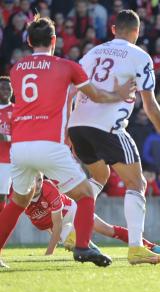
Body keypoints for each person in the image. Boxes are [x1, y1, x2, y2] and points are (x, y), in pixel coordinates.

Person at [0, 15, 134, 267]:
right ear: (54, 40)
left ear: (29, 41)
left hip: (19, 146)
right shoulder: (67, 66)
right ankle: (82, 246)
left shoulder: (16, 68)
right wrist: (120, 93)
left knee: (18, 201)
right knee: (85, 194)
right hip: (49, 144)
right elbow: (95, 95)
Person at [68, 10, 160, 265]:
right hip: (107, 128)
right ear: (136, 32)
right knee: (137, 183)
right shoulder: (140, 56)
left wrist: (67, 128)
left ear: (113, 29)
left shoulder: (93, 52)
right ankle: (136, 248)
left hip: (78, 125)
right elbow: (150, 104)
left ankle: (76, 233)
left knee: (99, 177)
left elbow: (72, 89)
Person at [24, 175, 160, 256]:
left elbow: (57, 224)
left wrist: (49, 254)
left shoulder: (49, 189)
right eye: (33, 180)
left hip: (72, 212)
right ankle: (96, 254)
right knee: (74, 243)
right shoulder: (19, 195)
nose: (37, 184)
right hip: (59, 224)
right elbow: (50, 227)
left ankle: (151, 247)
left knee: (108, 230)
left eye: (39, 180)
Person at [0, 77, 13, 215]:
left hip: (5, 161)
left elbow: (22, 136)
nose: (6, 91)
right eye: (2, 88)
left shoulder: (16, 110)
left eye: (9, 88)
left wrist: (5, 137)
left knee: (1, 195)